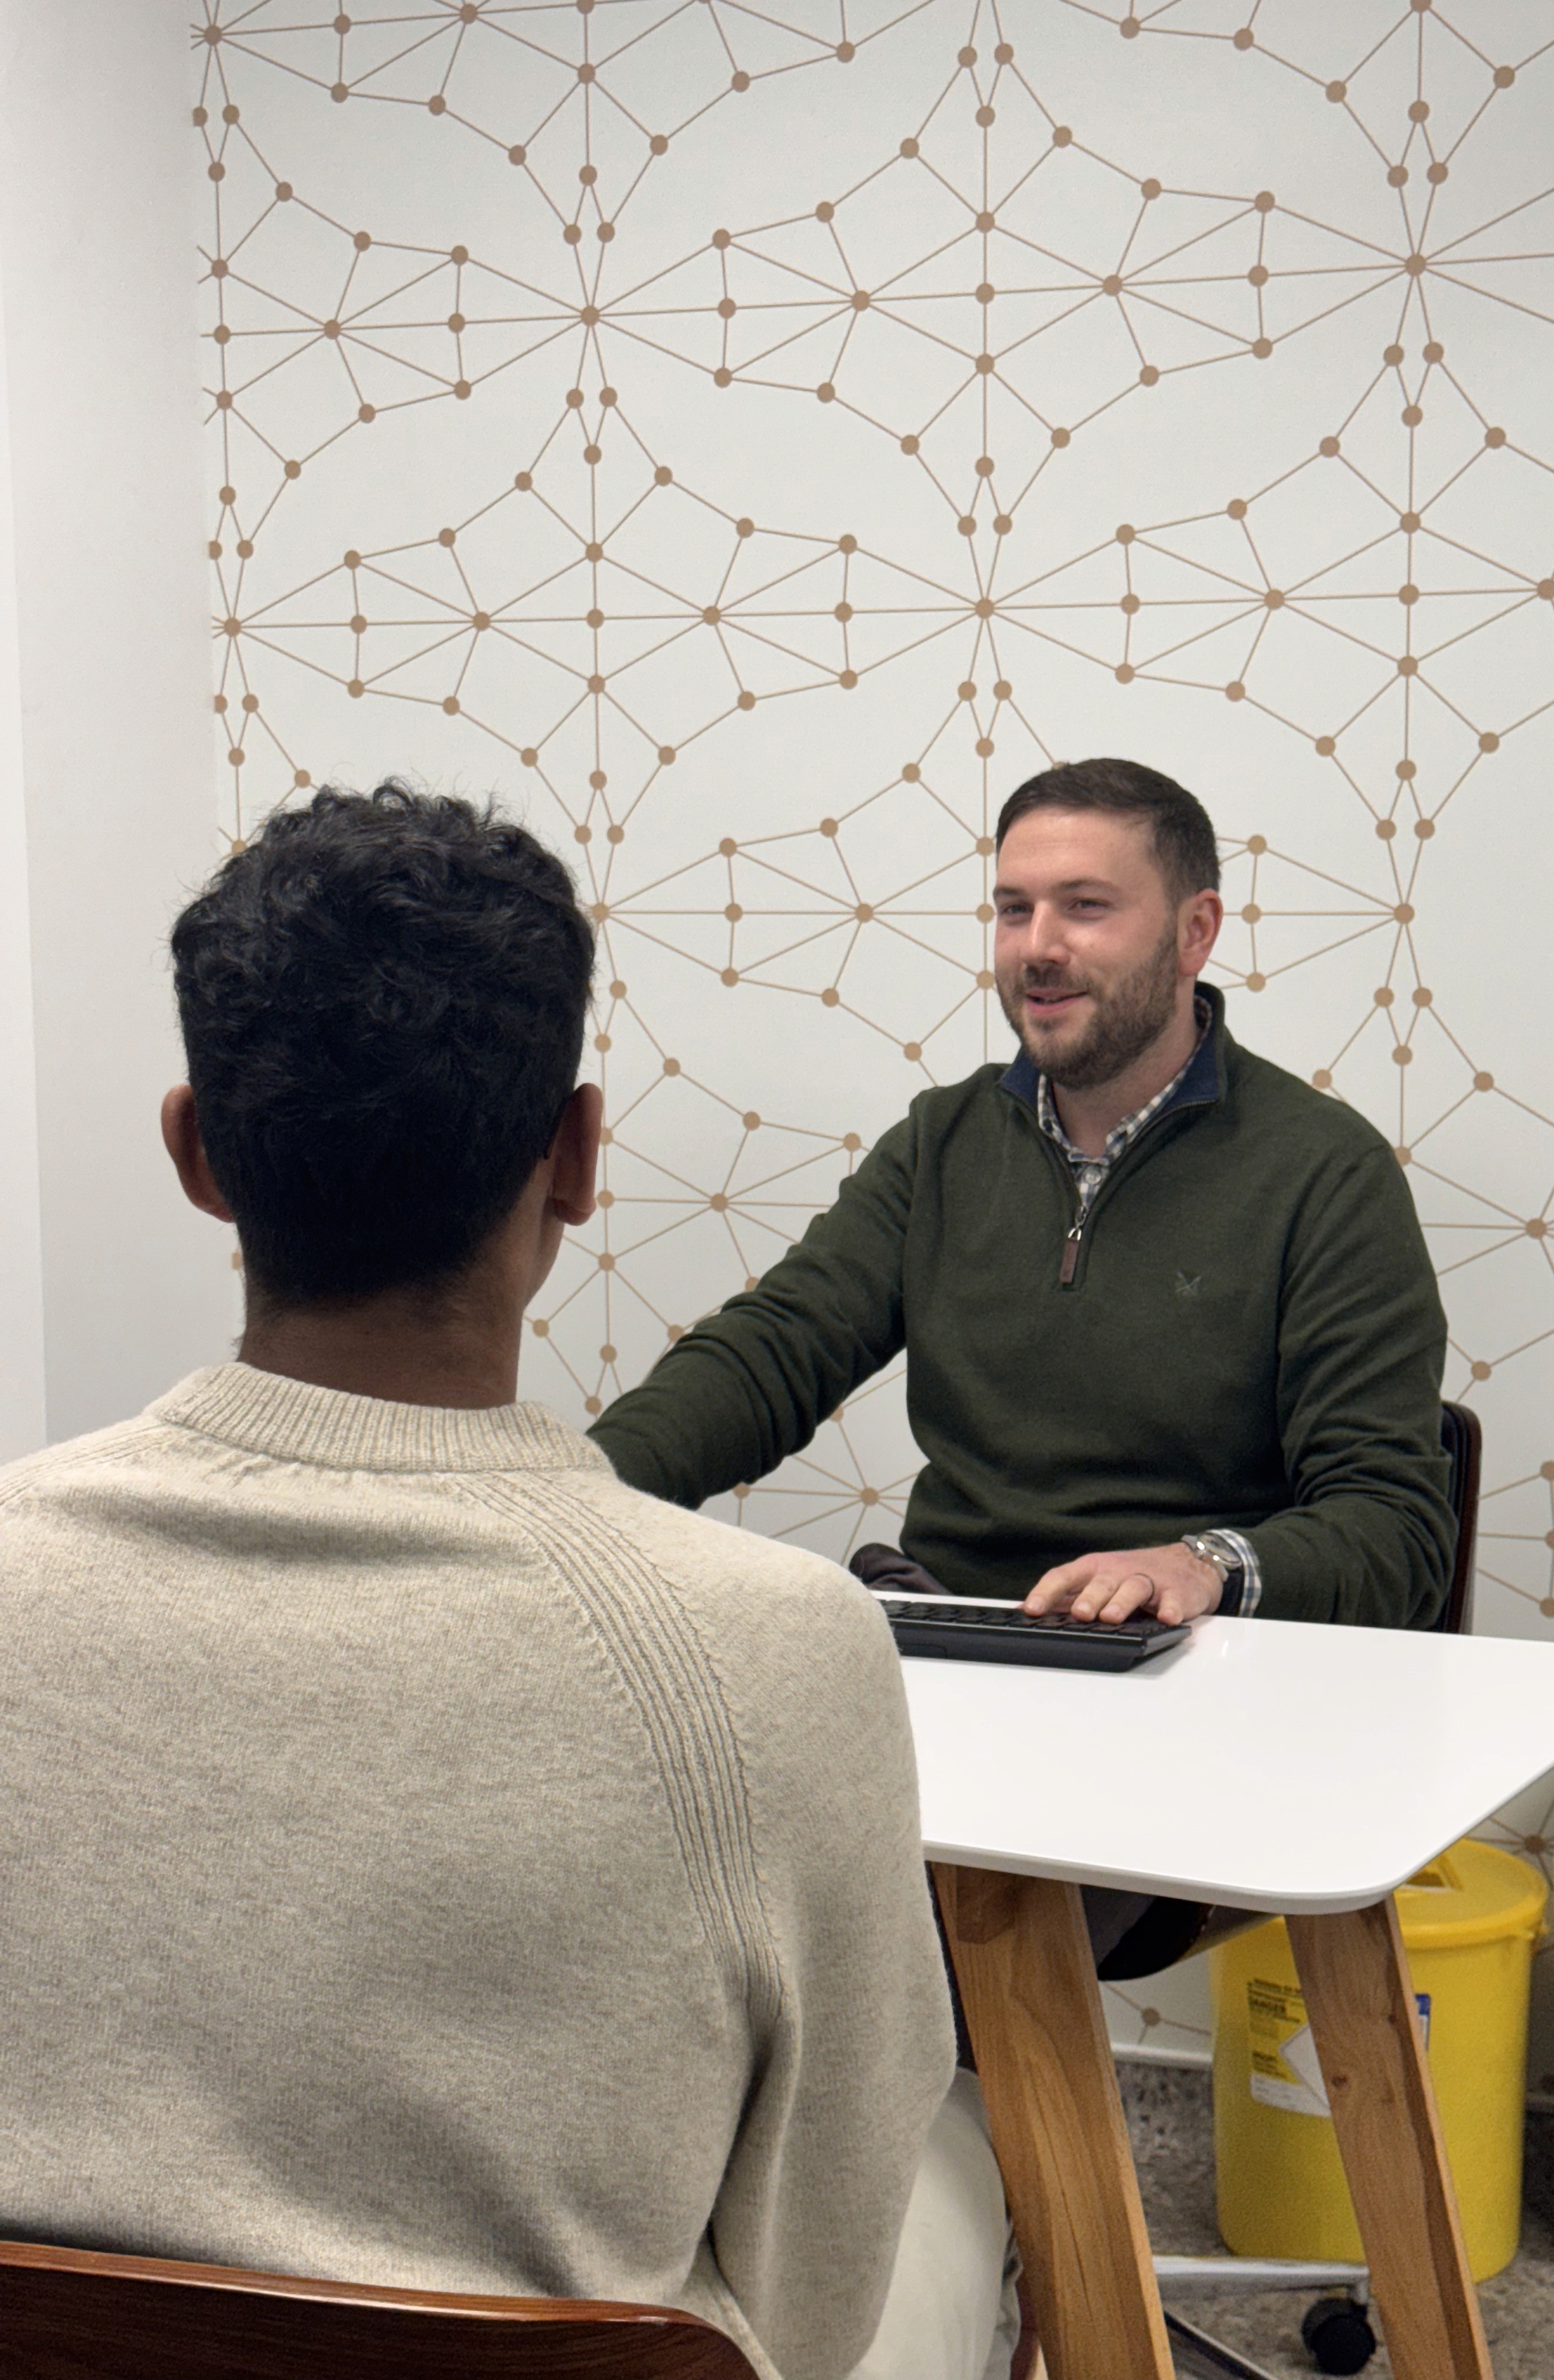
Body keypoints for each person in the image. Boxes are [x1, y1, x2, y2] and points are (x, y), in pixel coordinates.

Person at [0, 785, 1017, 2380]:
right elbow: (809, 2301)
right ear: (577, 1159)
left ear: (198, 1154)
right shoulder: (782, 1658)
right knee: (965, 2156)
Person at [593, 759, 1455, 1976]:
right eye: (1013, 909)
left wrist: (1196, 1565)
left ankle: (920, 2158)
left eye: (1086, 907)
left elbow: (1397, 1526)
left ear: (1197, 930)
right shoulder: (943, 1141)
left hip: (1188, 1694)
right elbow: (775, 1349)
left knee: (882, 1949)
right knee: (655, 1852)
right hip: (948, 1654)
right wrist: (573, 1493)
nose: (1037, 946)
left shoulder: (1323, 1175)